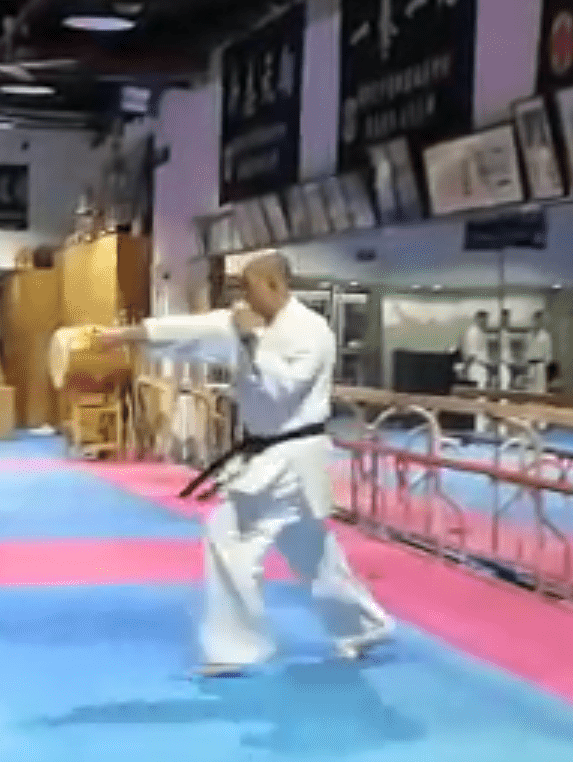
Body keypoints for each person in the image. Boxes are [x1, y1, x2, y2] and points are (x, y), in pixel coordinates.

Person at [92, 253, 393, 677]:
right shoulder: (248, 323)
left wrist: (252, 340)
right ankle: (364, 627)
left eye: (248, 286)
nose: (242, 296)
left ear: (273, 284)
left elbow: (282, 390)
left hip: (291, 457)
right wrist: (125, 335)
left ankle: (237, 648)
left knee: (228, 535)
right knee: (312, 553)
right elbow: (194, 330)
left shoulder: (312, 331)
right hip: (273, 457)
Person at [523, 310, 555, 394]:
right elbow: (525, 350)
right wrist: (526, 362)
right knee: (530, 389)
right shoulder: (528, 335)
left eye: (541, 320)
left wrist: (544, 365)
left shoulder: (546, 336)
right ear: (534, 320)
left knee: (540, 389)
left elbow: (548, 353)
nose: (538, 322)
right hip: (530, 365)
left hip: (540, 365)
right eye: (537, 320)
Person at [458, 310, 491, 389]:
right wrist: (466, 368)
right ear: (477, 319)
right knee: (478, 391)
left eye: (486, 319)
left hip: (481, 366)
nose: (485, 321)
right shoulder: (473, 332)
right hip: (476, 366)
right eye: (483, 319)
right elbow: (472, 354)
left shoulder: (481, 332)